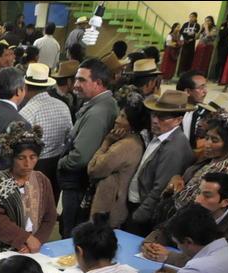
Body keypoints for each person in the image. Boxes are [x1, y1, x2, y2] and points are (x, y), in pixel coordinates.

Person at [0, 122, 56, 256]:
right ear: (12, 157)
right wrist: (25, 239)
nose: (27, 163)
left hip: (34, 248)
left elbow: (50, 216)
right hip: (1, 248)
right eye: (21, 158)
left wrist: (36, 241)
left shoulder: (42, 181)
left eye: (32, 157)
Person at [143, 172, 228, 267]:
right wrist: (151, 244)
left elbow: (217, 263)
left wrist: (169, 256)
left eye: (207, 196)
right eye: (199, 193)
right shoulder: (194, 207)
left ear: (225, 202)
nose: (197, 199)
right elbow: (166, 229)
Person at [58, 58, 118, 236]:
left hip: (78, 185)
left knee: (71, 233)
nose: (75, 85)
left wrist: (61, 162)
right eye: (76, 79)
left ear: (98, 83)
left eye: (82, 80)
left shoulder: (97, 113)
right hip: (79, 185)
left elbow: (81, 157)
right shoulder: (100, 105)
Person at [126, 90, 196, 235]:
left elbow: (160, 189)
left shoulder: (174, 147)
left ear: (178, 120)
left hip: (145, 215)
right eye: (154, 114)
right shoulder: (161, 136)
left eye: (162, 117)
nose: (155, 120)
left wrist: (138, 216)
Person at [87, 92, 147, 227]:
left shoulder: (125, 146)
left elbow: (94, 169)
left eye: (123, 117)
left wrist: (106, 142)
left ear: (132, 123)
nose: (117, 120)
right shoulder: (135, 141)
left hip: (108, 209)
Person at [20, 63, 72, 202]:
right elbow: (70, 137)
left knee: (32, 208)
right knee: (49, 205)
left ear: (25, 87)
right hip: (57, 165)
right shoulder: (63, 106)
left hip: (35, 167)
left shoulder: (27, 112)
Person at [177, 70, 209, 147]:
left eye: (205, 87)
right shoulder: (171, 112)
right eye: (201, 88)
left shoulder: (206, 113)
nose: (205, 91)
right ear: (187, 91)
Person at [212, 14, 228, 82]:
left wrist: (227, 31)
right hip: (221, 45)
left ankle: (222, 78)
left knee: (225, 63)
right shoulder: (223, 24)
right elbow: (221, 34)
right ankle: (215, 77)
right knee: (219, 62)